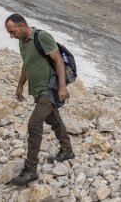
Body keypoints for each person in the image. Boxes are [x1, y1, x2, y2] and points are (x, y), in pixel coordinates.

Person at [4, 14, 75, 186]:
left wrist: (62, 87)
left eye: (12, 31)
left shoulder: (41, 37)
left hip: (49, 88)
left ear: (22, 25)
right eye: (9, 33)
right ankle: (67, 150)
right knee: (53, 119)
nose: (11, 36)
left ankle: (30, 170)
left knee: (34, 124)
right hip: (37, 90)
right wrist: (20, 85)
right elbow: (26, 64)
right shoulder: (23, 43)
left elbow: (58, 59)